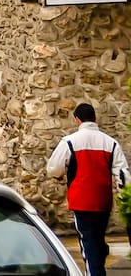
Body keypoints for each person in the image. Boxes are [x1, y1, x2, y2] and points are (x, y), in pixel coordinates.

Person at [50, 103, 129, 276]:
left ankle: (95, 272)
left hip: (81, 201)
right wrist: (124, 200)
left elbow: (54, 168)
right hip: (103, 201)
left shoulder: (70, 141)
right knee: (97, 239)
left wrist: (61, 175)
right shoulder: (111, 143)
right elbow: (122, 174)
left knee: (88, 243)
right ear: (94, 119)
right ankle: (99, 265)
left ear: (77, 120)